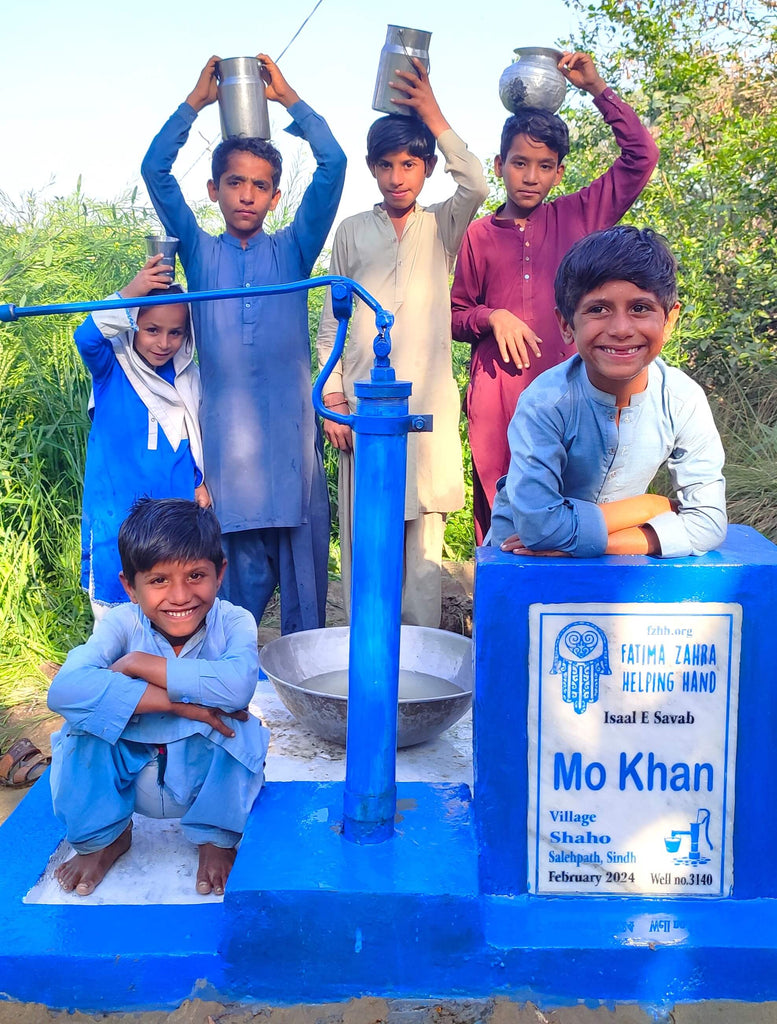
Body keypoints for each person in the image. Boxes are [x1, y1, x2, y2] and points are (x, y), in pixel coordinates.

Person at [141, 55, 346, 634]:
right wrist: (194, 103)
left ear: (276, 197)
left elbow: (333, 165)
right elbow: (154, 171)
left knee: (306, 592)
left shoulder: (294, 251)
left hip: (292, 444)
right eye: (235, 182)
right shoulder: (202, 256)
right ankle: (230, 695)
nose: (248, 195)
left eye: (261, 186)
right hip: (229, 452)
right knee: (231, 599)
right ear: (214, 189)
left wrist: (290, 99)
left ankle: (304, 699)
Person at [451, 51, 660, 544]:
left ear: (559, 173)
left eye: (544, 166)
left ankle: (567, 619)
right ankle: (500, 618)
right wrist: (491, 316)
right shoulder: (479, 235)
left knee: (570, 520)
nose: (530, 176)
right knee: (502, 519)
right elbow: (455, 317)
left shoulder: (580, 216)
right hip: (497, 398)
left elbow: (640, 159)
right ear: (500, 164)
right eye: (520, 163)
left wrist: (597, 89)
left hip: (570, 399)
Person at [316, 60, 488, 627]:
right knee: (369, 537)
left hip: (424, 411)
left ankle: (415, 672)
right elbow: (331, 325)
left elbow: (478, 181)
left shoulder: (444, 225)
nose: (397, 176)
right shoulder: (351, 232)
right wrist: (333, 403)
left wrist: (431, 112)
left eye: (410, 164)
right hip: (363, 413)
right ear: (372, 168)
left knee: (421, 551)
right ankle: (368, 658)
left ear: (428, 168)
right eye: (386, 165)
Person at [48, 497, 269, 898]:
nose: (180, 596)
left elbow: (238, 686)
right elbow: (64, 690)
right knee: (80, 730)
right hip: (137, 775)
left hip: (205, 775)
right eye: (159, 581)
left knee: (239, 726)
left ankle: (216, 838)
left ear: (220, 574)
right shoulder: (120, 624)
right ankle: (104, 838)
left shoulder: (234, 620)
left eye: (196, 575)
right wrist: (178, 704)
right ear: (130, 587)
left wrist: (138, 664)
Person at [488, 226, 727, 558]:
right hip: (518, 557)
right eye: (598, 309)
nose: (620, 329)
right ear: (566, 325)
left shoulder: (684, 401)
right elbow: (538, 529)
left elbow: (708, 524)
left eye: (640, 308)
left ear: (669, 320)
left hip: (606, 559)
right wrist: (650, 506)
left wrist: (579, 544)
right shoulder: (545, 403)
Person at [75, 256, 208, 621]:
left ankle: (164, 675)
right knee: (116, 614)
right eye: (151, 330)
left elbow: (190, 437)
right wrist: (133, 292)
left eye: (175, 332)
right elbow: (86, 334)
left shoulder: (187, 376)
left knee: (173, 605)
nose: (164, 343)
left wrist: (200, 482)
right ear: (132, 325)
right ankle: (116, 674)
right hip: (116, 511)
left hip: (174, 510)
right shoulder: (111, 367)